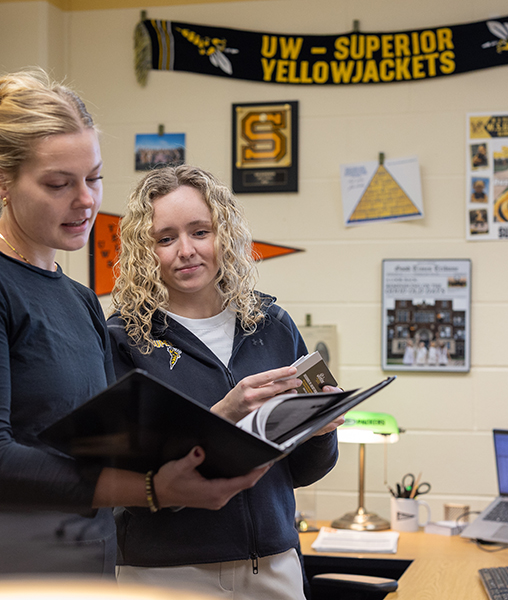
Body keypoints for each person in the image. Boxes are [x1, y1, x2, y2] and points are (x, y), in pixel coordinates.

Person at [0, 66, 265, 581]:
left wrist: (218, 424)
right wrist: (153, 491)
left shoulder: (79, 300)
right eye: (58, 184)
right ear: (0, 180)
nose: (87, 200)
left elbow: (100, 443)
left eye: (93, 178)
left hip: (87, 558)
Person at [107, 165, 342, 599]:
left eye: (200, 232)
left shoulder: (273, 325)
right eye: (165, 238)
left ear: (223, 235)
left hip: (272, 566)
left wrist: (320, 431)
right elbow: (130, 479)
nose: (186, 251)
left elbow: (305, 472)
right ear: (145, 250)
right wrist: (224, 414)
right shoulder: (124, 339)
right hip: (165, 573)